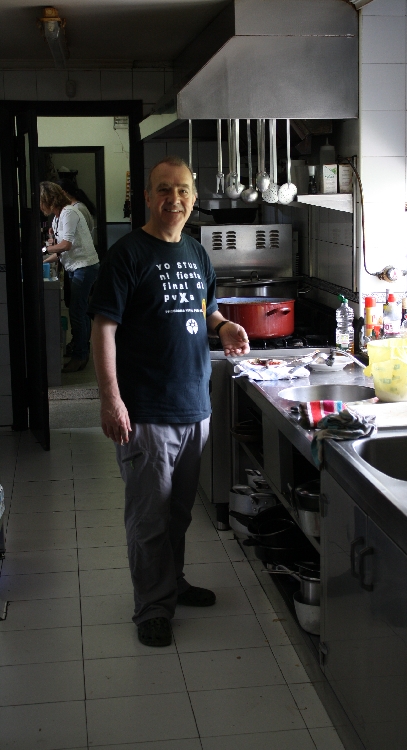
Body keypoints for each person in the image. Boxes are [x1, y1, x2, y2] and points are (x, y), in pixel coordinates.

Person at [89, 156, 250, 648]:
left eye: (182, 190)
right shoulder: (127, 255)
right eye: (163, 189)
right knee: (149, 519)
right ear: (148, 197)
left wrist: (225, 326)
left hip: (194, 406)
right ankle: (152, 608)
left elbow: (207, 309)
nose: (173, 199)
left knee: (178, 514)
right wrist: (111, 399)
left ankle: (171, 584)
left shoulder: (197, 253)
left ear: (194, 199)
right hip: (146, 411)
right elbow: (104, 329)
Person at [40, 182, 100, 373]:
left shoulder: (69, 212)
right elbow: (60, 252)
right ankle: (81, 351)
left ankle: (80, 356)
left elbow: (66, 245)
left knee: (77, 312)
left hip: (85, 266)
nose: (40, 205)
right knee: (78, 311)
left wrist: (44, 249)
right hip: (75, 266)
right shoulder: (57, 218)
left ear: (49, 199)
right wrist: (42, 260)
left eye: (41, 201)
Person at [56, 178, 98, 356]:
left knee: (78, 310)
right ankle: (80, 345)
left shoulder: (75, 210)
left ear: (64, 193)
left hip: (82, 262)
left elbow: (72, 241)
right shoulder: (73, 209)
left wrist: (48, 248)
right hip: (77, 263)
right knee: (79, 309)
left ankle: (81, 350)